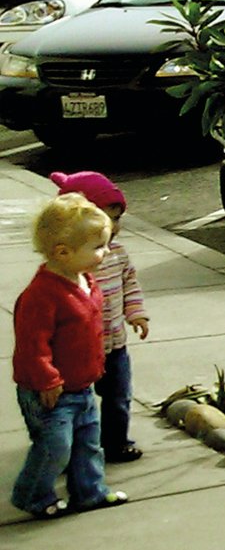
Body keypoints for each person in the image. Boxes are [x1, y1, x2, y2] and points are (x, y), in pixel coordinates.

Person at [10, 193, 126, 518]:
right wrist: (48, 379)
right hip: (51, 391)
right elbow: (32, 345)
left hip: (81, 386)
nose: (105, 252)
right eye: (98, 246)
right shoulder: (41, 295)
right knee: (55, 448)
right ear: (63, 252)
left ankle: (90, 491)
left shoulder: (84, 280)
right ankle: (32, 494)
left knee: (88, 443)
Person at [50, 172, 147, 464]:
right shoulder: (70, 259)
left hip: (114, 345)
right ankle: (73, 451)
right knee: (76, 404)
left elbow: (130, 282)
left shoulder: (117, 253)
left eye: (116, 219)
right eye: (105, 219)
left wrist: (136, 312)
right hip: (76, 349)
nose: (113, 228)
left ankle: (116, 443)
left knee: (118, 397)